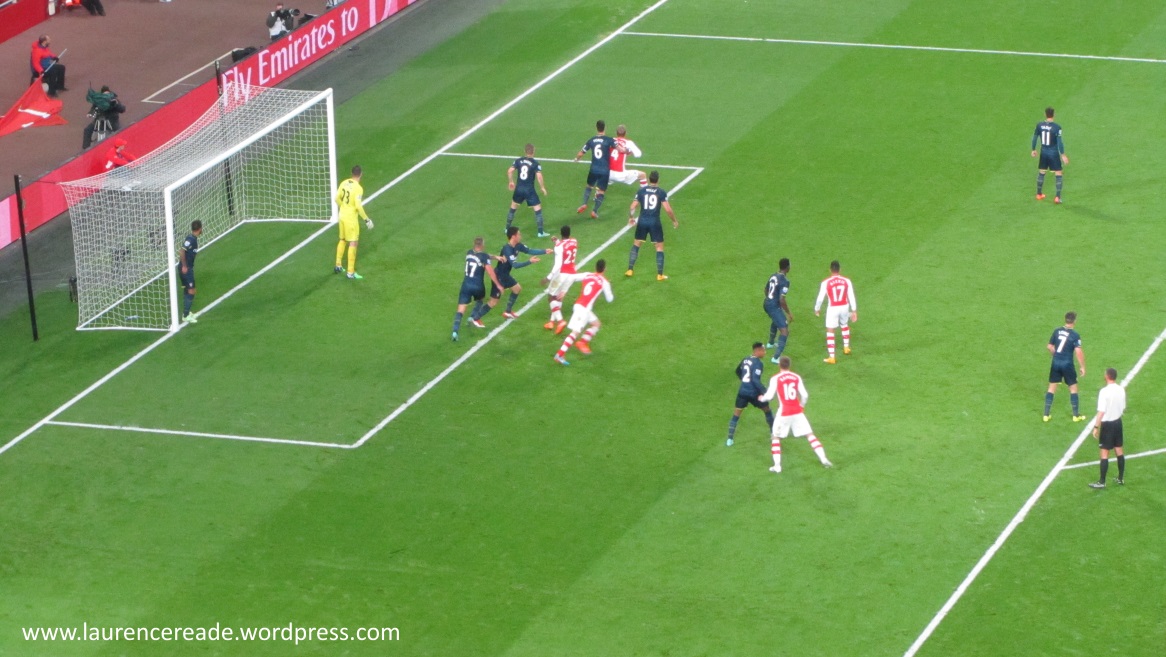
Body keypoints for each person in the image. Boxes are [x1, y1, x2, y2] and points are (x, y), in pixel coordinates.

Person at [759, 356, 833, 473]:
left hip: (784, 412)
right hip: (797, 411)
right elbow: (805, 395)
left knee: (776, 437)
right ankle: (823, 459)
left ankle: (777, 466)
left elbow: (769, 396)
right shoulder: (796, 377)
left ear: (779, 365)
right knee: (810, 435)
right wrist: (801, 406)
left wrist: (762, 398)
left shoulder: (775, 378)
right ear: (789, 365)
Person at [468, 227, 549, 326]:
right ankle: (476, 318)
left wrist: (545, 251)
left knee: (517, 288)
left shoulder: (518, 245)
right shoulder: (507, 249)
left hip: (505, 275)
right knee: (493, 302)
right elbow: (515, 265)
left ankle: (508, 312)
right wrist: (529, 261)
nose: (520, 236)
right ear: (513, 236)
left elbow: (529, 250)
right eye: (519, 234)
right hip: (499, 277)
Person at [553, 259, 614, 366]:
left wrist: (564, 291)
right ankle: (559, 355)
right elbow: (610, 299)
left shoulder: (588, 274)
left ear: (596, 267)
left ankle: (582, 342)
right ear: (604, 269)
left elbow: (572, 277)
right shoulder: (604, 282)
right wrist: (607, 287)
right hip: (584, 310)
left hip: (579, 305)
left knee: (596, 324)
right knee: (575, 332)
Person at [625, 170, 679, 281]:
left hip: (642, 221)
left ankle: (630, 270)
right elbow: (668, 210)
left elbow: (632, 207)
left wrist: (631, 217)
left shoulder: (641, 191)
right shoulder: (661, 192)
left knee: (636, 245)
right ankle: (660, 275)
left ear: (649, 179)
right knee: (659, 247)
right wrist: (674, 220)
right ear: (658, 180)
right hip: (654, 222)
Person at [451, 236, 503, 342]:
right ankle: (472, 317)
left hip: (466, 285)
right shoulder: (484, 256)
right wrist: (498, 285)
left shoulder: (469, 253)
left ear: (474, 244)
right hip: (478, 285)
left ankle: (455, 331)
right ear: (482, 245)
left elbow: (484, 256)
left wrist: (495, 257)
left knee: (460, 310)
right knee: (480, 300)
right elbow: (490, 271)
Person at [726, 343, 776, 447]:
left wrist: (744, 381)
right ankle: (774, 434)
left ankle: (729, 439)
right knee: (767, 410)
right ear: (757, 351)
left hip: (742, 392)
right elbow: (755, 380)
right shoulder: (758, 363)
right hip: (754, 393)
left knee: (736, 415)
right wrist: (765, 392)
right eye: (763, 350)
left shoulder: (746, 359)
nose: (765, 352)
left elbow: (737, 371)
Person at [574, 120, 624, 219]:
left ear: (596, 128)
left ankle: (584, 203)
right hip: (604, 170)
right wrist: (627, 150)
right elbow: (620, 149)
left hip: (594, 168)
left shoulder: (591, 140)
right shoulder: (609, 140)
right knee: (601, 191)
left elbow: (581, 153)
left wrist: (576, 159)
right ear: (605, 128)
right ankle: (594, 211)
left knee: (589, 186)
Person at [1044, 311, 1086, 422]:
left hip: (1056, 362)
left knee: (1051, 388)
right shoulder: (1075, 335)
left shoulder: (1057, 331)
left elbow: (1049, 346)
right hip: (1067, 364)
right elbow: (1078, 352)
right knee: (1073, 388)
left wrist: (1055, 354)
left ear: (1065, 319)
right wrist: (1082, 366)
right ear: (1074, 321)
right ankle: (1076, 416)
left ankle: (1046, 415)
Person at [333, 165, 373, 280]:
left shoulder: (344, 183)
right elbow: (358, 206)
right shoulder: (358, 188)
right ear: (361, 174)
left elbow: (336, 198)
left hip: (341, 215)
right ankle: (350, 272)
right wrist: (366, 219)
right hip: (350, 219)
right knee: (353, 243)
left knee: (342, 239)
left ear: (351, 173)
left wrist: (343, 207)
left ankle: (338, 265)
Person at [1089, 367, 1126, 489]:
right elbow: (1123, 407)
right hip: (1118, 423)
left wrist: (1096, 426)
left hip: (1108, 425)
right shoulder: (1121, 389)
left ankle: (1102, 481)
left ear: (1107, 376)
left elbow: (1101, 411)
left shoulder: (1104, 392)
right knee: (1119, 450)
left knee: (1104, 453)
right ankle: (1120, 478)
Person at [813, 260, 857, 364]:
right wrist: (854, 310)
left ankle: (832, 357)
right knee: (844, 324)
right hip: (844, 306)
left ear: (830, 270)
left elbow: (820, 298)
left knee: (830, 330)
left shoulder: (826, 282)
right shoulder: (847, 281)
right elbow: (851, 295)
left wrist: (817, 308)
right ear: (840, 269)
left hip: (833, 308)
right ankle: (846, 347)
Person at [505, 144, 549, 237]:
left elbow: (509, 171)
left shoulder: (518, 161)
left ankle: (507, 228)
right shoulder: (535, 163)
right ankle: (540, 232)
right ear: (533, 151)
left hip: (519, 189)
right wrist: (542, 187)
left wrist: (511, 181)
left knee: (513, 207)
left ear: (525, 151)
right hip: (529, 190)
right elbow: (539, 176)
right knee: (537, 209)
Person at [541, 224, 578, 334]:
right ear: (569, 233)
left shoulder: (558, 247)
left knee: (551, 297)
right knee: (558, 296)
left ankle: (560, 321)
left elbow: (558, 264)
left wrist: (548, 277)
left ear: (561, 233)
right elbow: (565, 247)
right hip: (572, 274)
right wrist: (557, 241)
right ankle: (551, 322)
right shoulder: (574, 241)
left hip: (561, 274)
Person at [1031, 107, 1068, 204]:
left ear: (1045, 114)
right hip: (1053, 153)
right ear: (1054, 115)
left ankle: (1039, 194)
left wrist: (1033, 149)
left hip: (1044, 152)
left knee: (1042, 172)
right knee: (1058, 173)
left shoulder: (1039, 125)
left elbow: (1034, 138)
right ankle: (1057, 197)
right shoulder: (1057, 127)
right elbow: (1060, 142)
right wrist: (1063, 154)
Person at [764, 258, 793, 363]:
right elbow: (782, 299)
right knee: (785, 331)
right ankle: (776, 358)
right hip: (774, 306)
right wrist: (789, 313)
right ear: (787, 267)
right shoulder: (785, 281)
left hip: (767, 303)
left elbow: (766, 289)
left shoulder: (773, 275)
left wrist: (770, 300)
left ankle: (770, 343)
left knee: (776, 319)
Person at [179, 220, 203, 324]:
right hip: (186, 268)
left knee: (187, 289)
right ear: (200, 229)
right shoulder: (191, 240)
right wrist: (184, 266)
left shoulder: (192, 238)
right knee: (192, 291)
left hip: (186, 267)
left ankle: (187, 313)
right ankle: (185, 316)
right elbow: (181, 251)